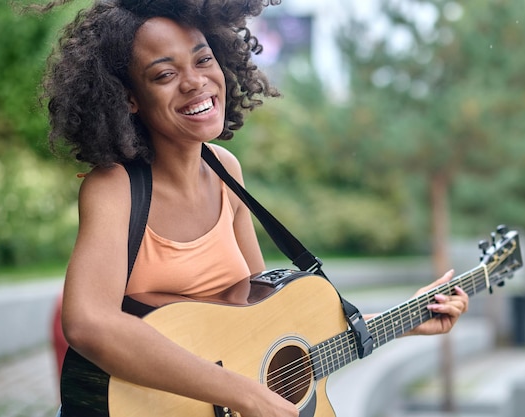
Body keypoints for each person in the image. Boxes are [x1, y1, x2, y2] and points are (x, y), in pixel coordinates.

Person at [38, 1, 469, 416]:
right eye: (165, 74)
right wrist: (242, 394)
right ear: (129, 98)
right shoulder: (116, 186)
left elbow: (264, 330)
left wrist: (404, 318)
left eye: (203, 60)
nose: (194, 82)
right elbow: (88, 322)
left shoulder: (227, 172)